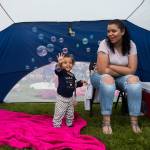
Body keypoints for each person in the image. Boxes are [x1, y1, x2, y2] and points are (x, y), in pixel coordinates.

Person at [90, 19, 142, 134]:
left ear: (122, 31)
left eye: (114, 31)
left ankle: (134, 121)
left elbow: (132, 70)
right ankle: (106, 121)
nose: (110, 34)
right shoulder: (104, 43)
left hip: (117, 77)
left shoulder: (131, 44)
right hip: (99, 76)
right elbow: (103, 70)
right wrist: (125, 70)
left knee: (134, 81)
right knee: (108, 80)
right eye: (108, 31)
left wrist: (111, 66)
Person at [53, 53, 87, 128]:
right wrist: (59, 63)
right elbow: (57, 70)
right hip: (62, 98)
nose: (68, 64)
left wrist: (80, 82)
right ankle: (56, 125)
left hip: (70, 98)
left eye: (70, 63)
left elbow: (73, 85)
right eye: (65, 63)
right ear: (62, 64)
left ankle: (69, 124)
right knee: (59, 113)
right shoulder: (61, 73)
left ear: (73, 64)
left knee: (70, 113)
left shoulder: (72, 75)